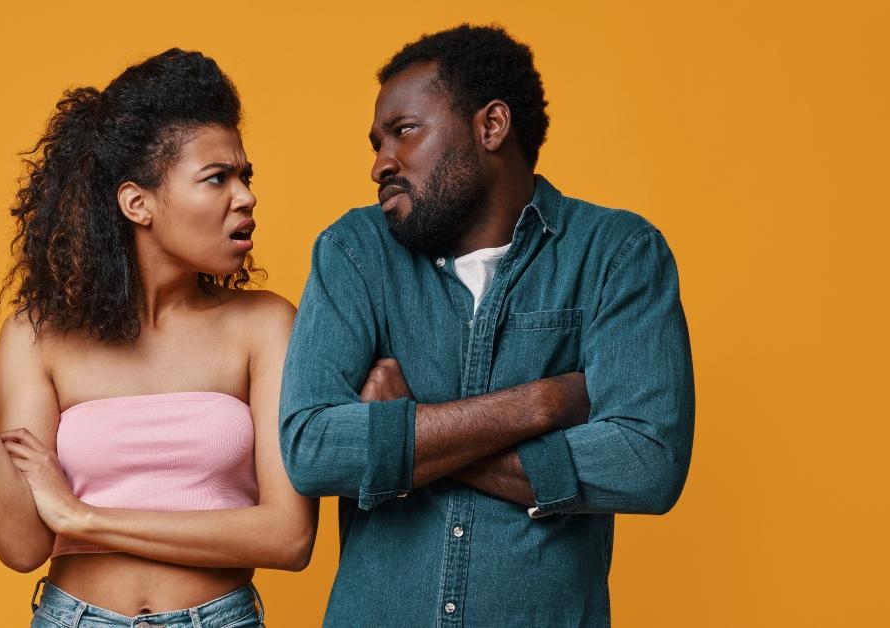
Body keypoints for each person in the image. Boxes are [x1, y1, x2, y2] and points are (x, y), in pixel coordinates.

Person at [0, 49, 316, 628]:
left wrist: (84, 519)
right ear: (138, 203)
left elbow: (287, 536)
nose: (245, 196)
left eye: (244, 176)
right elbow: (23, 545)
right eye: (217, 178)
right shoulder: (38, 337)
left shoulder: (266, 325)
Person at [279, 25, 695, 627]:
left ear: (491, 126)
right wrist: (538, 404)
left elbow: (645, 463)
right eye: (375, 142)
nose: (379, 164)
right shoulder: (354, 252)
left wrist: (411, 425)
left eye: (404, 131)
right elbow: (312, 448)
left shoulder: (617, 255)